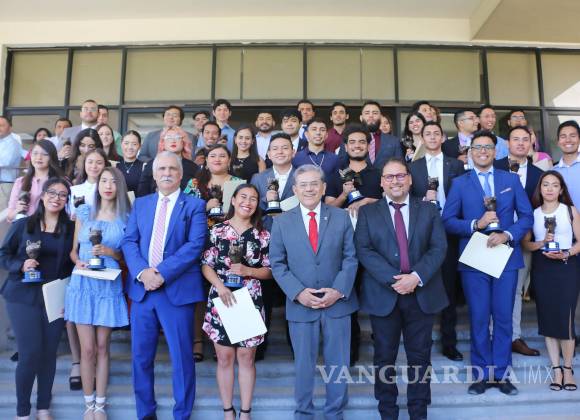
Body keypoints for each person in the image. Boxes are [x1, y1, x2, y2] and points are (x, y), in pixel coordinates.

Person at [355, 157, 448, 420]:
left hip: (421, 294)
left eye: (400, 176)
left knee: (420, 359)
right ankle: (388, 413)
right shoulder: (368, 212)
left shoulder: (428, 209)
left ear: (409, 179)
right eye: (389, 177)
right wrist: (394, 279)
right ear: (381, 183)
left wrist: (415, 277)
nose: (395, 181)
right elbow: (364, 249)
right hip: (384, 295)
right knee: (384, 359)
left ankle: (418, 413)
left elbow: (438, 247)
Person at [442, 130, 533, 395]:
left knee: (503, 318)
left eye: (488, 147)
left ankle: (502, 375)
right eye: (478, 147)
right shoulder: (459, 183)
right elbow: (448, 221)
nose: (483, 151)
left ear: (496, 152)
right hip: (475, 259)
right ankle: (481, 375)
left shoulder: (511, 180)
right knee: (479, 317)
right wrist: (475, 224)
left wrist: (508, 234)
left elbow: (526, 217)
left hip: (506, 257)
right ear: (470, 152)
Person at [121, 151, 207, 420]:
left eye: (172, 169)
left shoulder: (194, 205)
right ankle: (146, 413)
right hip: (143, 291)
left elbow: (195, 245)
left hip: (175, 291)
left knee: (181, 358)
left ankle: (182, 414)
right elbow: (129, 241)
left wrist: (160, 272)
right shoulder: (141, 204)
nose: (167, 173)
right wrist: (142, 272)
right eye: (162, 169)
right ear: (154, 175)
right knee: (141, 358)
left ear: (181, 175)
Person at [270, 164, 358, 420]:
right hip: (301, 305)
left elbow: (351, 258)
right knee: (303, 366)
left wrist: (338, 290)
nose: (309, 189)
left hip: (337, 304)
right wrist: (298, 293)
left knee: (338, 365)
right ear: (295, 189)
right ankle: (304, 413)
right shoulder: (282, 221)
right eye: (303, 185)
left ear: (323, 187)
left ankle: (335, 414)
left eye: (314, 184)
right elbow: (277, 263)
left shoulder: (341, 217)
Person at [0, 177, 74, 420]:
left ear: (67, 200)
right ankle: (22, 412)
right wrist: (21, 265)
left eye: (62, 194)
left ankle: (43, 408)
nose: (56, 198)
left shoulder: (70, 229)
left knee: (49, 353)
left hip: (55, 295)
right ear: (42, 196)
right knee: (30, 352)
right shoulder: (23, 224)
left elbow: (72, 263)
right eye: (52, 192)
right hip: (22, 294)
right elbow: (3, 255)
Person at [202, 184, 272, 419]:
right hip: (222, 298)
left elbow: (270, 271)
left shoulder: (262, 235)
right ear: (232, 200)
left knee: (246, 357)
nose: (247, 202)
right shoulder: (217, 230)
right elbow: (206, 265)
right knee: (224, 358)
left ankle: (245, 412)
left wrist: (248, 270)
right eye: (243, 197)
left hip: (249, 299)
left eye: (253, 198)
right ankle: (227, 411)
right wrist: (220, 287)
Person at [65, 167, 130, 419]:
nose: (108, 185)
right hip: (83, 284)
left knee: (103, 347)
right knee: (88, 349)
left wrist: (110, 252)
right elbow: (73, 251)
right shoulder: (84, 212)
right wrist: (78, 262)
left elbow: (126, 256)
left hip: (108, 285)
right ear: (97, 185)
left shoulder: (126, 217)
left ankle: (101, 405)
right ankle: (88, 404)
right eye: (104, 181)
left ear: (119, 186)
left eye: (113, 181)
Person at [409, 121, 465, 362]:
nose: (432, 137)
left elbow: (463, 197)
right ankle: (421, 341)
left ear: (442, 138)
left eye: (436, 134)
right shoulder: (413, 167)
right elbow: (407, 199)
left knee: (449, 287)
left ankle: (449, 342)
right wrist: (423, 199)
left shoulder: (456, 165)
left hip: (450, 230)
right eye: (427, 134)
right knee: (423, 285)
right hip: (423, 233)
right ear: (422, 139)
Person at [522, 171, 579, 391]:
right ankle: (556, 369)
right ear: (540, 188)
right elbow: (526, 244)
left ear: (561, 189)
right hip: (543, 268)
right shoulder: (533, 214)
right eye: (545, 184)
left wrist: (566, 253)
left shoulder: (569, 210)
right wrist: (541, 243)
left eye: (555, 185)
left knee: (566, 319)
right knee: (547, 319)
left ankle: (568, 369)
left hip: (567, 266)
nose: (550, 189)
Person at [494, 125, 543, 357]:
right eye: (516, 139)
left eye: (525, 139)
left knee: (515, 290)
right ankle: (492, 335)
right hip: (493, 238)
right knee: (491, 288)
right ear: (508, 143)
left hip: (523, 239)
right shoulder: (493, 167)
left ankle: (513, 336)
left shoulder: (538, 174)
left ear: (531, 142)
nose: (521, 143)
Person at [325, 123, 382, 215]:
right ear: (346, 147)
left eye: (362, 142)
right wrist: (343, 195)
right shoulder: (335, 175)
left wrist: (368, 201)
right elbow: (327, 210)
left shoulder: (380, 175)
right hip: (343, 224)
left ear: (368, 147)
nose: (357, 145)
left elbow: (390, 203)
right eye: (352, 142)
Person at [7, 140, 62, 223]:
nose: (39, 157)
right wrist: (17, 210)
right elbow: (10, 216)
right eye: (35, 153)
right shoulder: (20, 181)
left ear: (52, 157)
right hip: (24, 226)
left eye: (45, 154)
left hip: (49, 227)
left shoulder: (60, 182)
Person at [136, 126, 198, 197]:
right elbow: (142, 193)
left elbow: (195, 194)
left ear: (183, 142)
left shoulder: (193, 167)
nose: (173, 141)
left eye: (177, 137)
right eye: (169, 137)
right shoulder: (152, 164)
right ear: (163, 142)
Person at [338, 101, 402, 169]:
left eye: (375, 113)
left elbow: (400, 167)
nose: (371, 116)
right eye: (367, 113)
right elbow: (341, 165)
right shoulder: (349, 139)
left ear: (381, 117)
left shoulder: (394, 141)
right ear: (361, 118)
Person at [69, 148, 110, 219]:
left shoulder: (109, 190)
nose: (94, 166)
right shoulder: (74, 190)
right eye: (90, 162)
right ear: (84, 164)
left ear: (105, 165)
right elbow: (71, 215)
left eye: (99, 163)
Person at [553, 120, 580, 210]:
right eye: (563, 136)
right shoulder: (552, 172)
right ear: (558, 142)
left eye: (572, 136)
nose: (568, 140)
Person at [0, 115, 23, 182]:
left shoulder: (13, 144)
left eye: (1, 125)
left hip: (5, 183)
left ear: (10, 128)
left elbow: (5, 163)